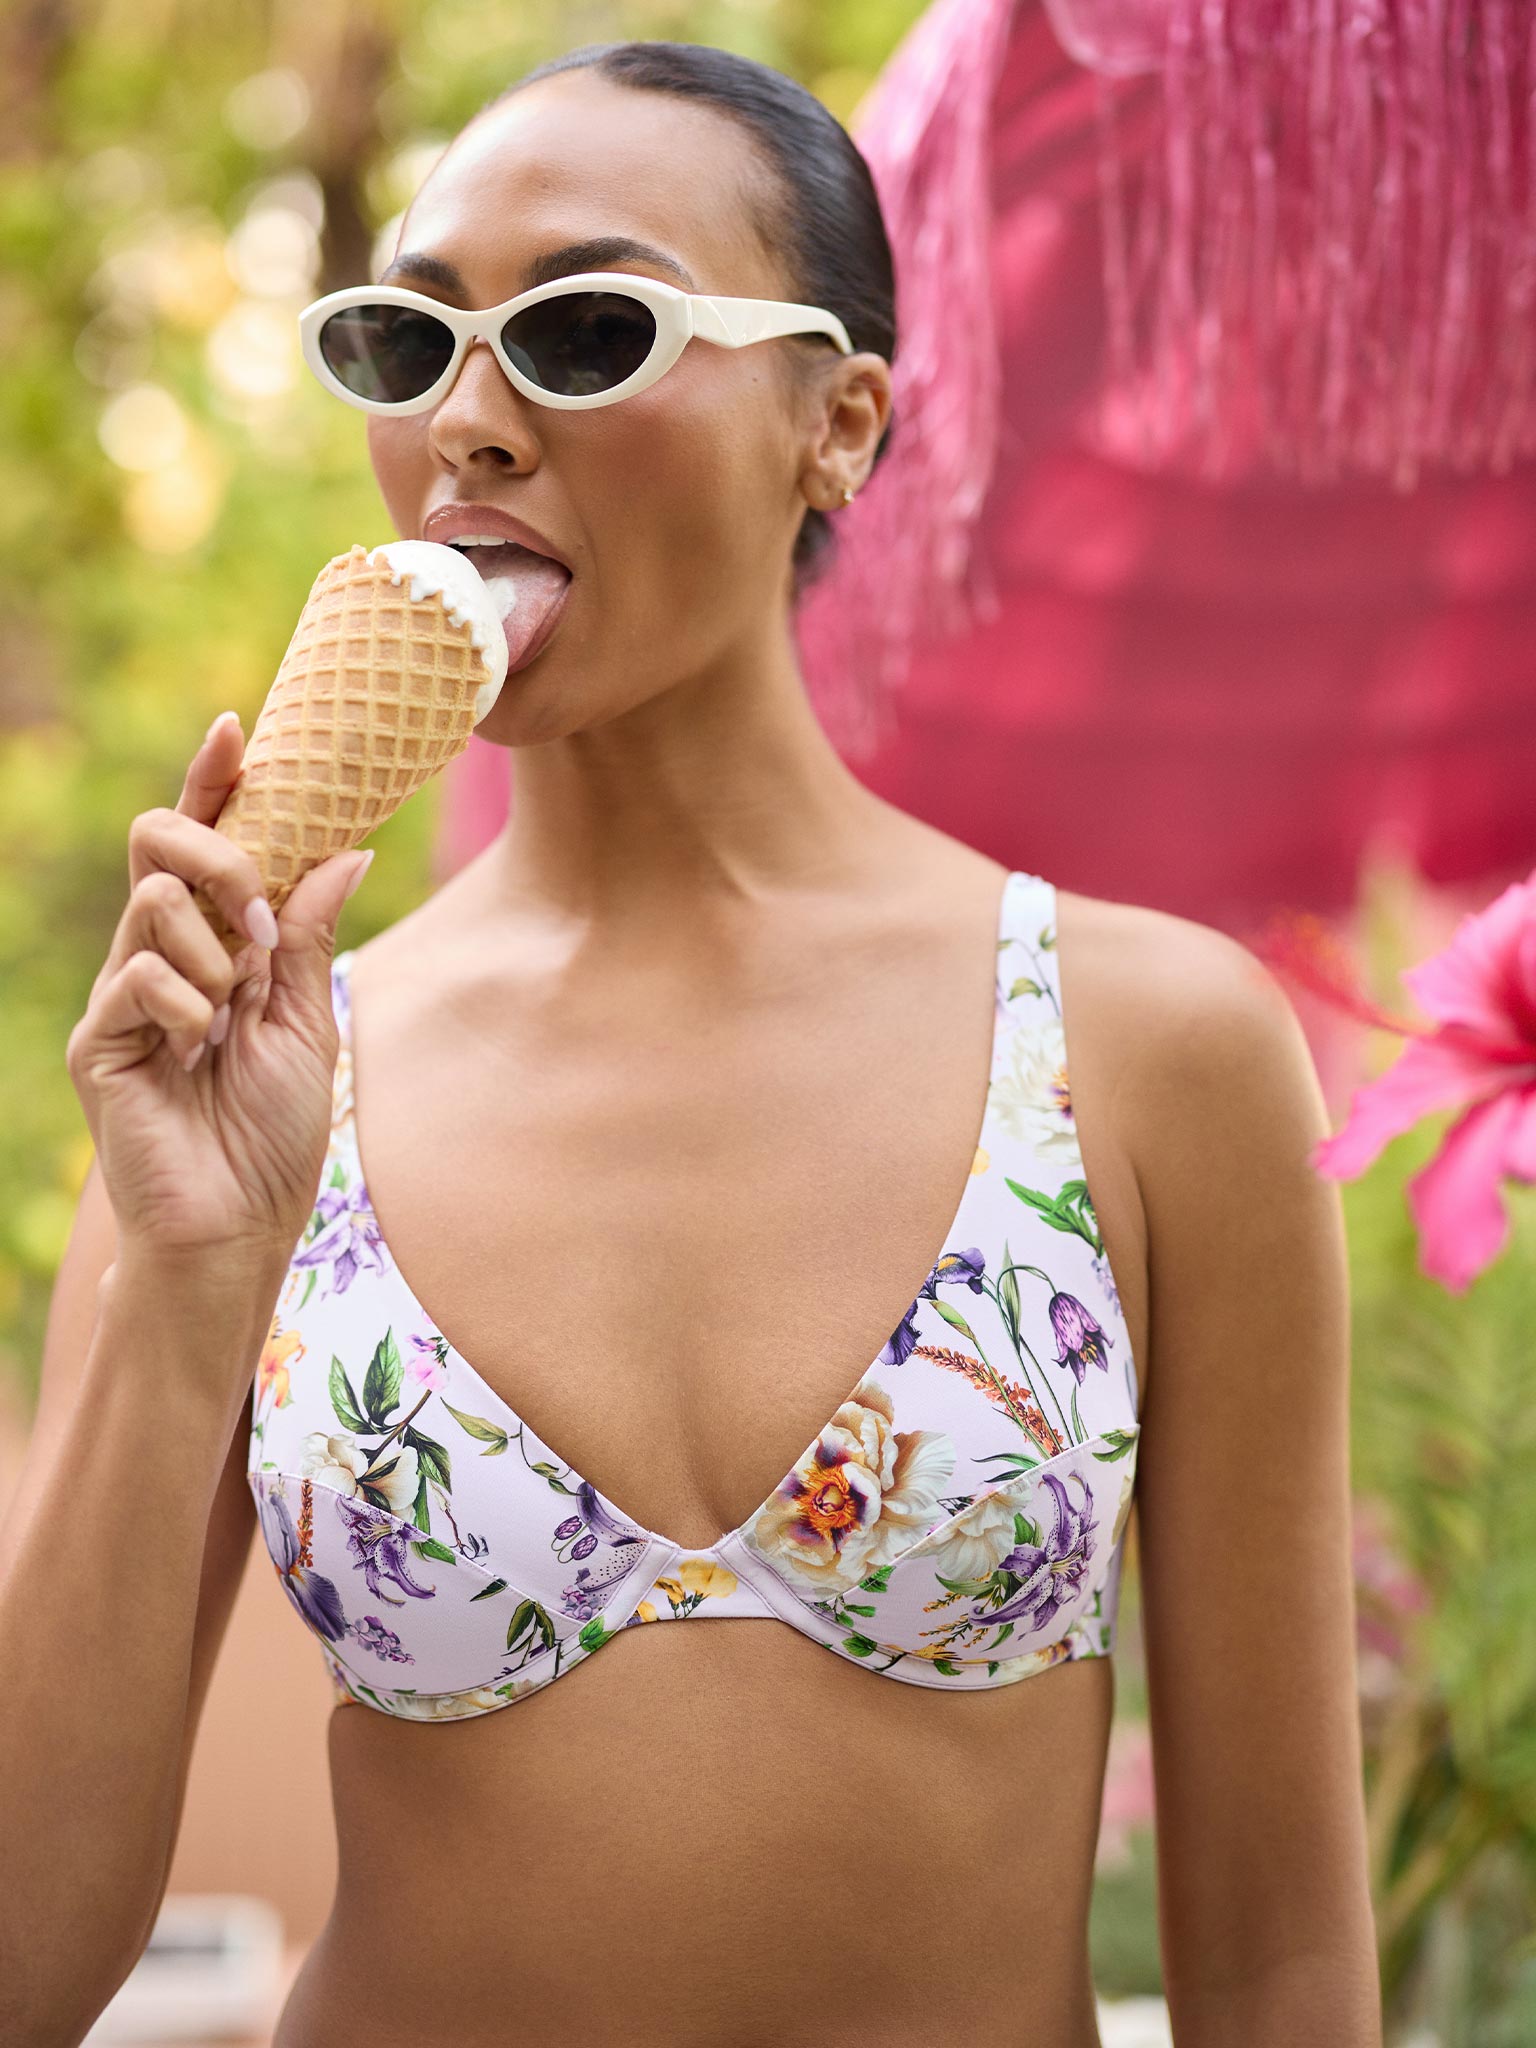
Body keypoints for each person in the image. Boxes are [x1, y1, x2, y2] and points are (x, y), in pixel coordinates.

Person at [0, 39, 1382, 2048]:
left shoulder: (1149, 1052)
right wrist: (191, 1272)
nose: (469, 420)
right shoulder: (239, 1098)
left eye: (583, 328)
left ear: (839, 423)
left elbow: (1275, 1961)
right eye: (410, 343)